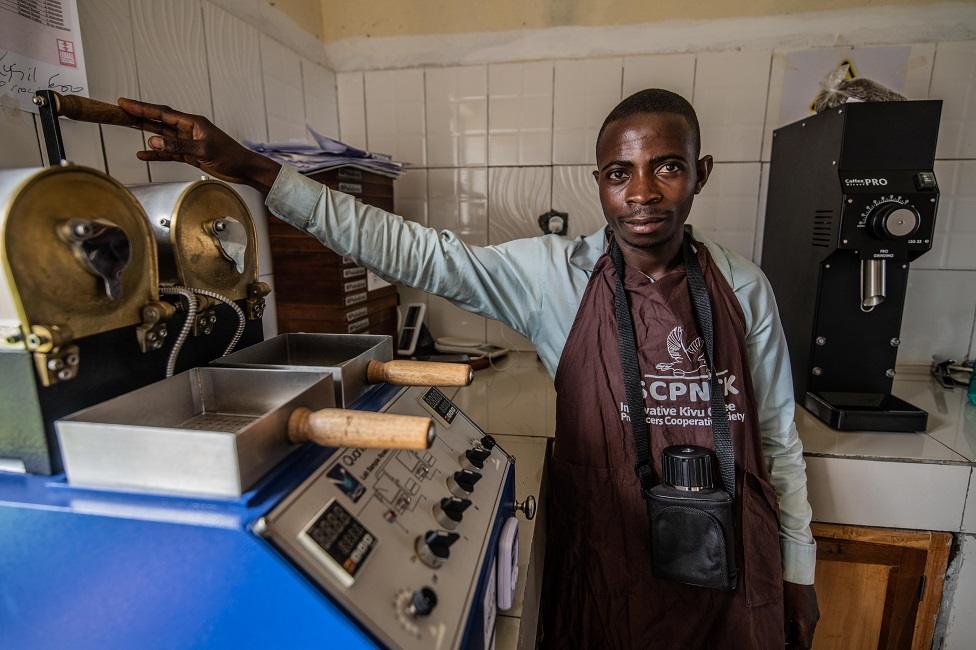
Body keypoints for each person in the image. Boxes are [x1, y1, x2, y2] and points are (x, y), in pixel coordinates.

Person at [115, 88, 820, 649]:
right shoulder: (556, 277)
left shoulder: (742, 286)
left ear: (701, 173)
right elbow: (411, 250)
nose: (642, 192)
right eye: (619, 173)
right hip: (613, 564)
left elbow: (776, 437)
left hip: (732, 568)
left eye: (666, 166)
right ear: (598, 183)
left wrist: (799, 570)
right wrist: (253, 169)